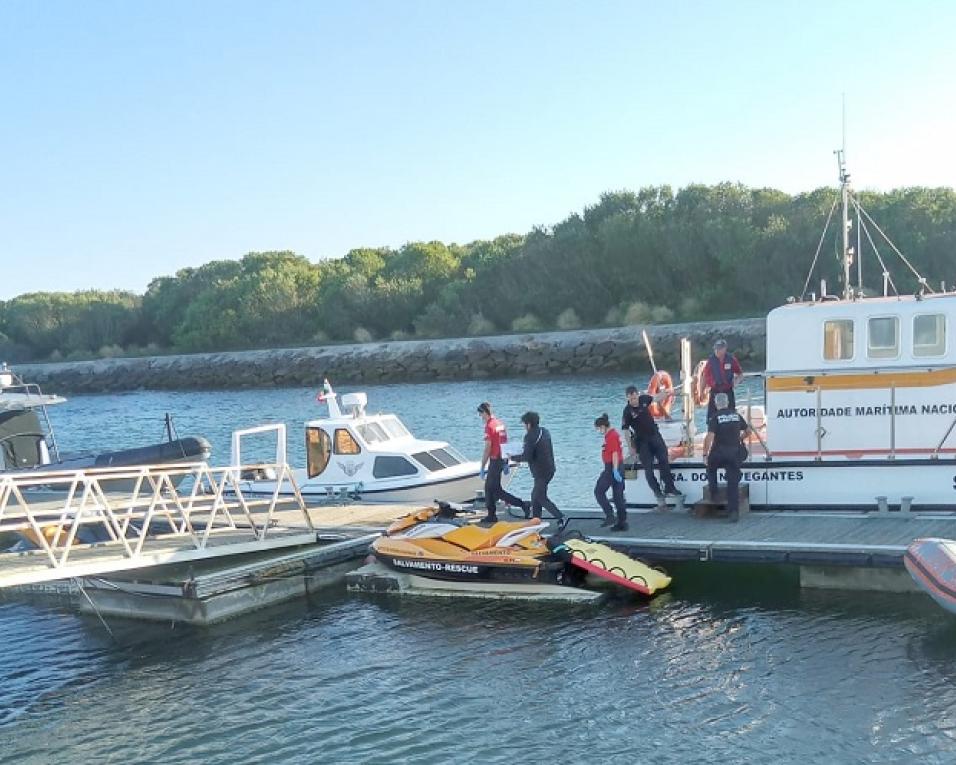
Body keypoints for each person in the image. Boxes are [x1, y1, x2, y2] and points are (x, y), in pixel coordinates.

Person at [621, 385, 681, 499]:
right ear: (627, 398)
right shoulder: (627, 411)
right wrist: (631, 448)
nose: (634, 401)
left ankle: (669, 487)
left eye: (635, 397)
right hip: (642, 442)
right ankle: (657, 492)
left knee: (664, 460)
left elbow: (655, 398)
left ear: (637, 395)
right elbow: (625, 430)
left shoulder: (643, 399)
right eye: (631, 399)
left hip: (654, 436)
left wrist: (667, 393)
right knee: (648, 469)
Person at [477, 401, 529, 523]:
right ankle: (492, 514)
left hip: (495, 460)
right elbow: (505, 442)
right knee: (491, 489)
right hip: (501, 458)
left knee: (494, 489)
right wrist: (505, 461)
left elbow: (487, 448)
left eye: (481, 414)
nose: (481, 417)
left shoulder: (489, 426)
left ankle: (522, 504)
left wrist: (483, 466)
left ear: (485, 412)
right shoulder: (500, 424)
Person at [703, 392, 750, 522]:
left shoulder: (715, 417)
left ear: (716, 404)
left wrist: (705, 454)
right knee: (732, 483)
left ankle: (714, 493)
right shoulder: (736, 415)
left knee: (710, 469)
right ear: (728, 403)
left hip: (718, 453)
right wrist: (740, 438)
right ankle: (733, 512)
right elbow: (748, 431)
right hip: (734, 453)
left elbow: (709, 437)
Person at [511, 411, 564, 521]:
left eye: (524, 424)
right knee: (535, 496)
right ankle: (536, 520)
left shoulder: (530, 436)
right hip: (549, 468)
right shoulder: (544, 431)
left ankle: (560, 517)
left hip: (541, 472)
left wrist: (512, 457)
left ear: (529, 424)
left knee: (540, 496)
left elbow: (527, 456)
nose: (524, 427)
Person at [593, 413, 628, 531]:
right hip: (617, 467)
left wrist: (614, 469)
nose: (598, 431)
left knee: (599, 491)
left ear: (603, 426)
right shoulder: (612, 435)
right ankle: (622, 522)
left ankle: (610, 515)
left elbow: (614, 454)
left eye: (598, 428)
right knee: (618, 496)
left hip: (612, 467)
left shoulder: (611, 436)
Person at [702, 339, 744, 420]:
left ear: (724, 349)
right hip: (715, 391)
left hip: (728, 390)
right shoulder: (711, 361)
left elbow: (740, 374)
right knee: (712, 417)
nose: (717, 351)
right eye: (716, 349)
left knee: (731, 415)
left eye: (719, 349)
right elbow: (705, 376)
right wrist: (702, 391)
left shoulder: (731, 359)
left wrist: (736, 382)